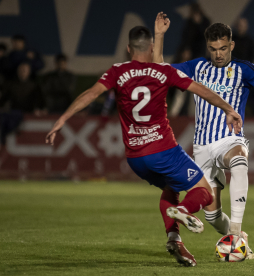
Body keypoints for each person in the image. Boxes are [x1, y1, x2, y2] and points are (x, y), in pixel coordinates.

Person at [45, 15, 243, 267]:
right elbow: (201, 90)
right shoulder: (163, 71)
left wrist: (62, 119)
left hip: (136, 158)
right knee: (204, 192)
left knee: (170, 189)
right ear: (151, 48)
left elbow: (91, 93)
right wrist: (228, 108)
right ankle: (183, 212)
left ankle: (174, 239)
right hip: (164, 150)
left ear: (129, 48)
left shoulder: (117, 71)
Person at [153, 16, 254, 260]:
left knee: (240, 160)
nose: (217, 54)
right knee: (211, 215)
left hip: (230, 139)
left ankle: (236, 232)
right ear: (207, 47)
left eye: (222, 48)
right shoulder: (197, 67)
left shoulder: (245, 70)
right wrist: (159, 35)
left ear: (231, 45)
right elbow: (159, 69)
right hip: (202, 147)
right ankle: (239, 239)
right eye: (212, 49)